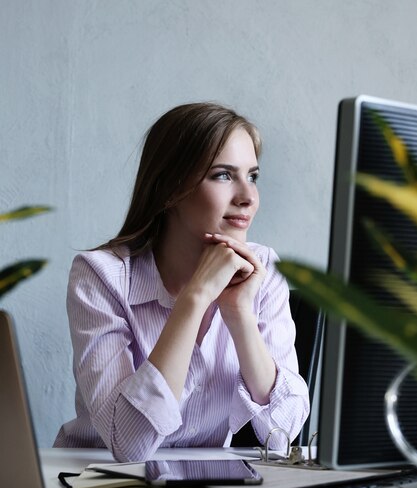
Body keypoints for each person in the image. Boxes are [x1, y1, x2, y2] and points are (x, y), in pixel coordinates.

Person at [54, 102, 309, 462]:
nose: (248, 197)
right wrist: (195, 298)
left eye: (252, 176)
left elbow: (284, 431)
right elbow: (129, 444)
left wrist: (238, 314)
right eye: (223, 175)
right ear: (171, 188)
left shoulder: (262, 270)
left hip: (199, 485)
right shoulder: (101, 275)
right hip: (94, 483)